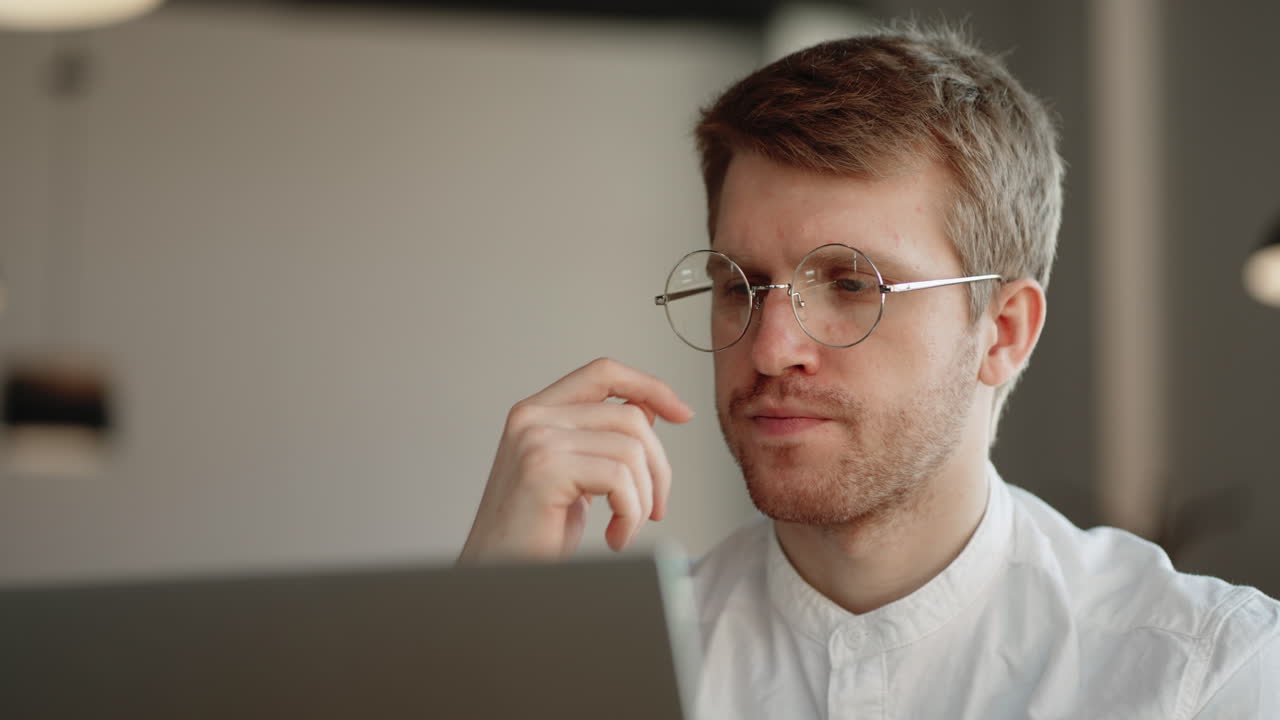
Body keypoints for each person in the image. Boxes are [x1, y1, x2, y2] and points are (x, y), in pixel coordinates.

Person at [458, 23, 1280, 718]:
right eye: (740, 285)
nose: (771, 348)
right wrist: (473, 631)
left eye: (852, 285)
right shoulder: (609, 681)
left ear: (1003, 332)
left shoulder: (1204, 679)